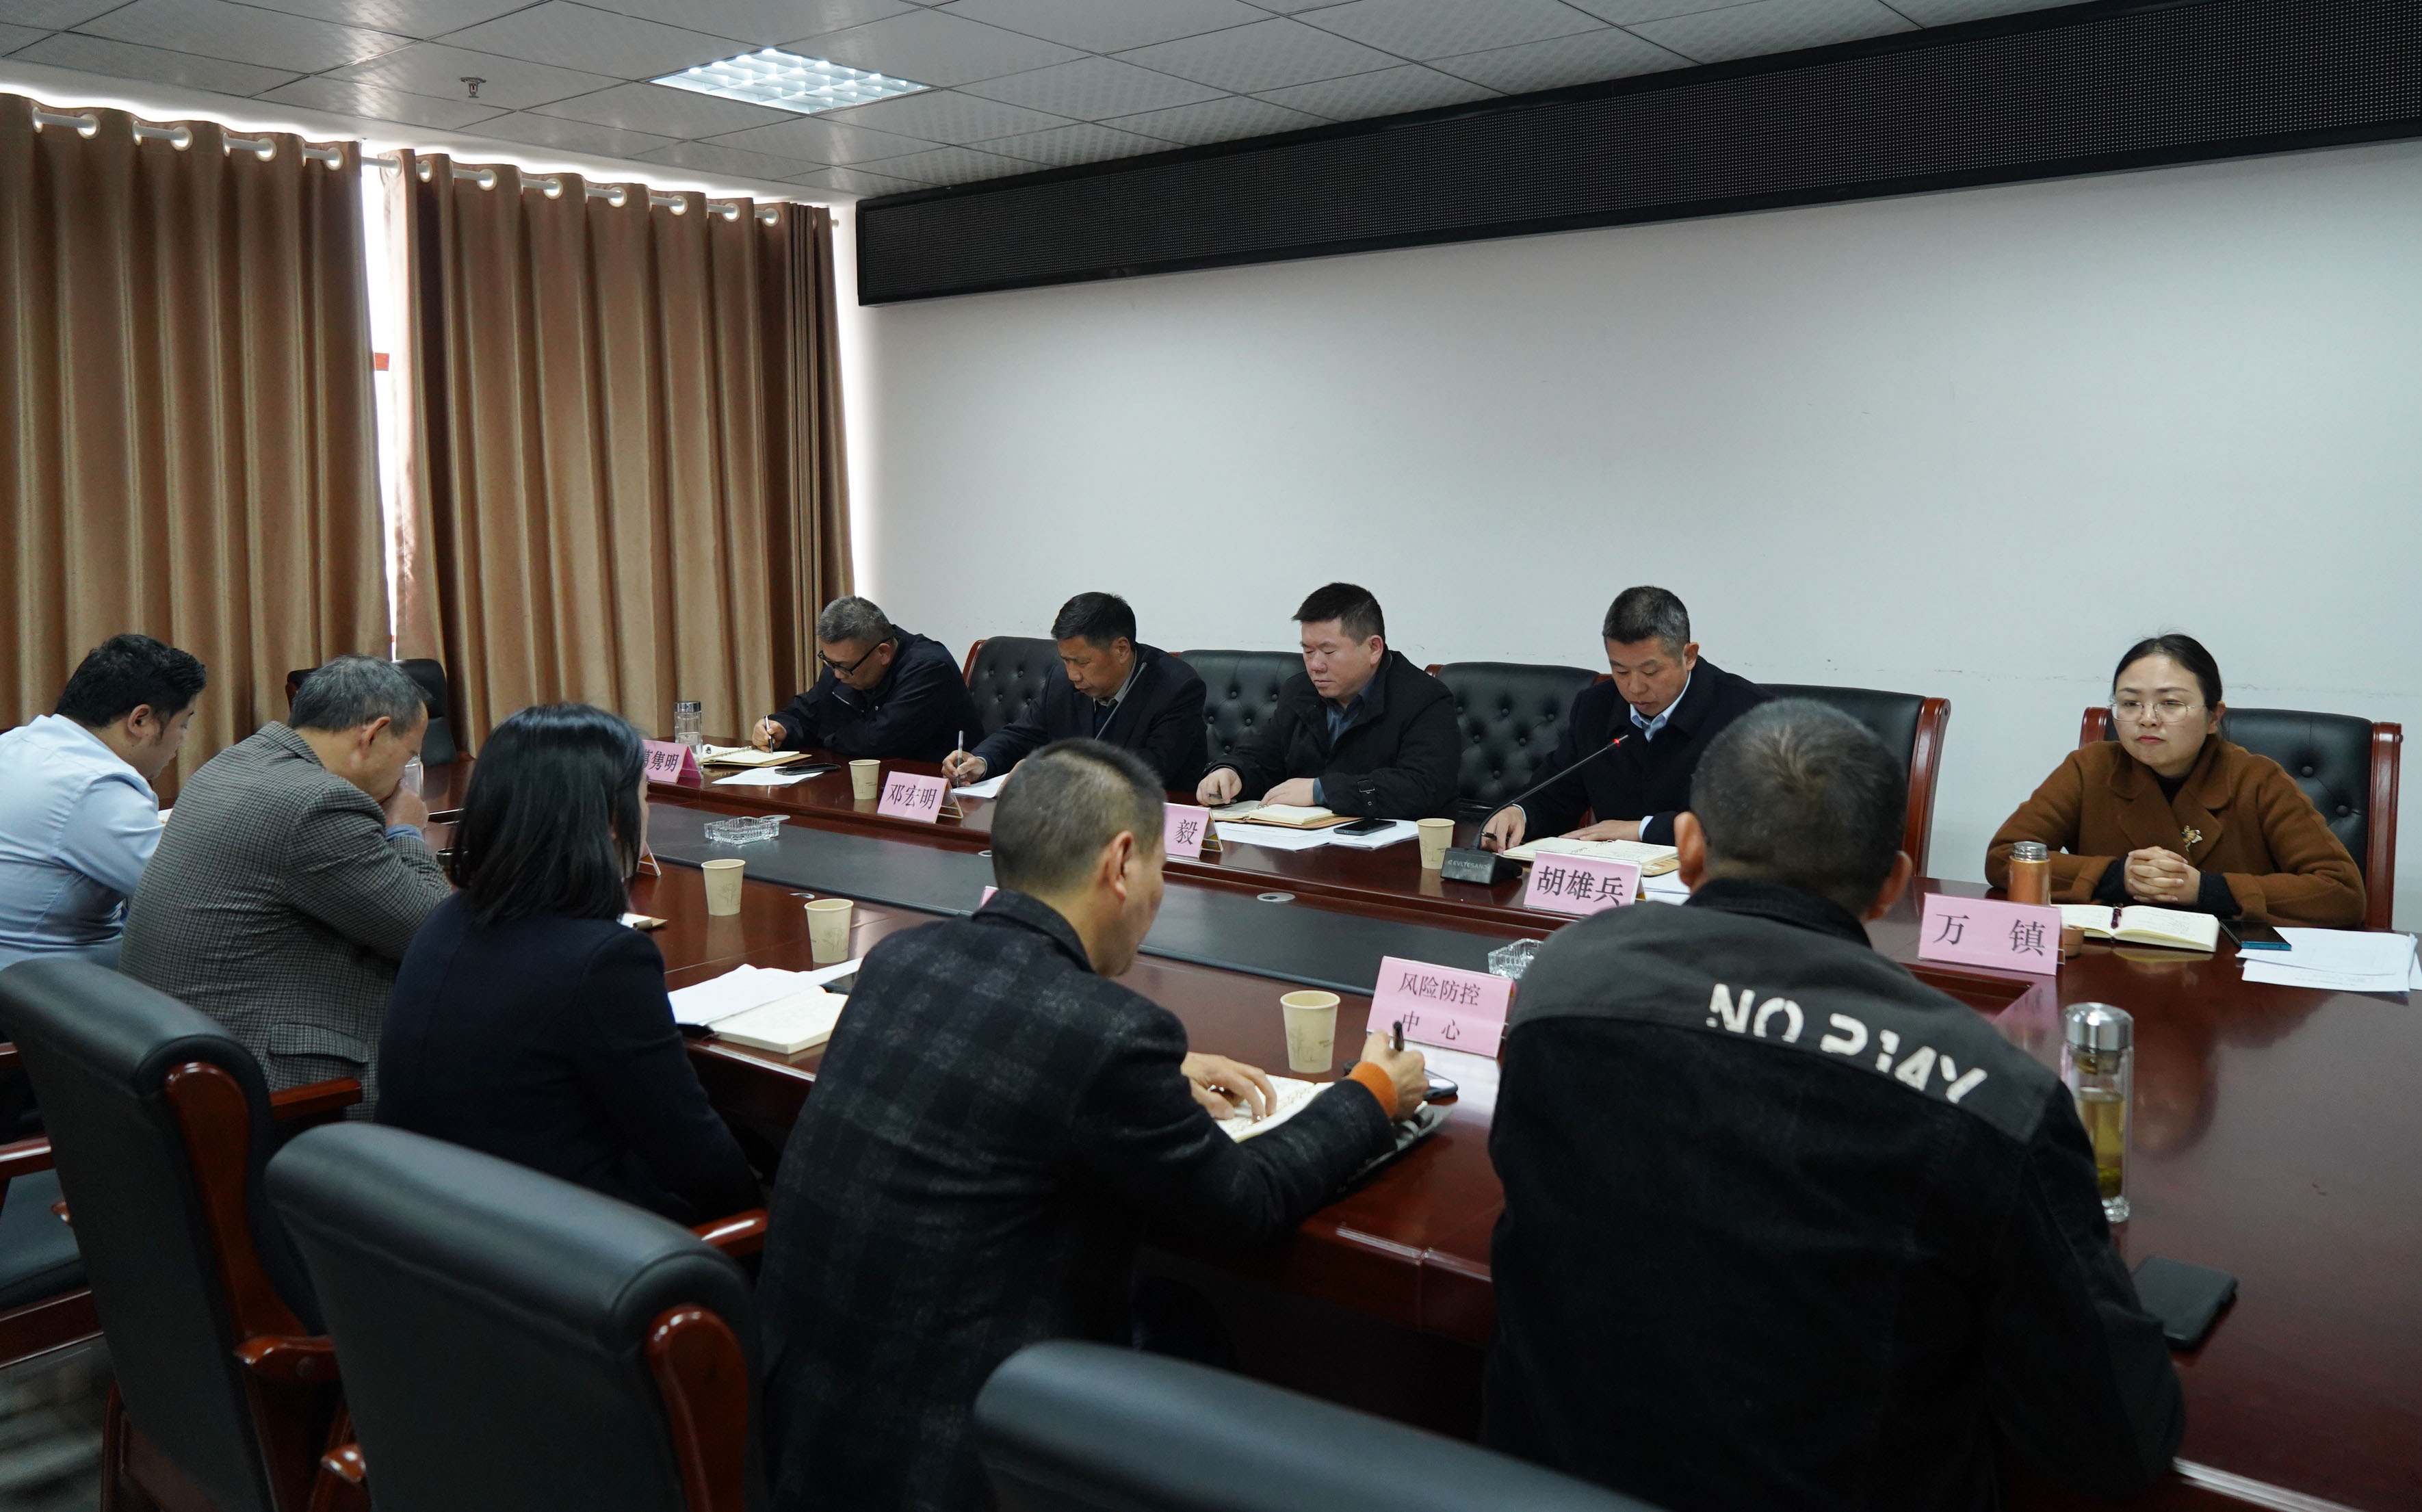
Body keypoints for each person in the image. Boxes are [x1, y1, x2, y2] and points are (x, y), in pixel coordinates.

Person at [1484, 701, 2184, 1511]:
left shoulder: (1560, 981)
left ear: (1689, 848)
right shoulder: (1993, 1089)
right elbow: (2113, 1436)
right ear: (1893, 883)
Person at [757, 738, 1429, 1512]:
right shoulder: (1108, 1034)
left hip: (803, 1438)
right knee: (1189, 1327)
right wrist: (1371, 1092)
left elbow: (1013, 1038)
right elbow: (1244, 1204)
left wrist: (1151, 1072)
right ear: (1122, 863)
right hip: (956, 1461)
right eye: (1163, 869)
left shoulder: (898, 962)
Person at [377, 703, 760, 1225]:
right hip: (565, 1244)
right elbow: (694, 1157)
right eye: (645, 796)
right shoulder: (604, 962)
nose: (646, 814)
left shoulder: (446, 920)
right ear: (610, 821)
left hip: (439, 1226)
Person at [121, 655, 448, 1112]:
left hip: (177, 1057)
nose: (407, 770)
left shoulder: (235, 762)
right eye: (410, 754)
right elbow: (432, 934)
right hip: (267, 1091)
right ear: (373, 735)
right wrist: (406, 830)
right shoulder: (317, 803)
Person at [1986, 634, 2365, 926]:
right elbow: (2006, 857)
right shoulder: (2091, 768)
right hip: (2110, 962)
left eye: (2170, 703)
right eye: (2130, 703)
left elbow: (2341, 892)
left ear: (2214, 717)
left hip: (2228, 975)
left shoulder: (2257, 779)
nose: (2147, 718)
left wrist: (2205, 890)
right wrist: (2118, 876)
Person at [1481, 586, 1768, 852]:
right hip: (1613, 879)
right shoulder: (1595, 707)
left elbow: (1758, 821)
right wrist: (1520, 812)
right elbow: (1555, 793)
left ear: (1689, 656)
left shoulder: (1748, 713)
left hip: (1709, 877)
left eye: (1650, 672)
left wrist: (1644, 830)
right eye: (1620, 671)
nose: (1635, 688)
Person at [0, 634, 205, 969]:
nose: (183, 738)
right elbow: (192, 893)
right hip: (48, 975)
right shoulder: (98, 787)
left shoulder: (16, 741)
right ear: (141, 721)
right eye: (183, 723)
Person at [1193, 583, 1459, 819]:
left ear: (1373, 648)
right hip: (1303, 843)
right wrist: (1231, 771)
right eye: (1308, 651)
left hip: (1392, 847)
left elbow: (1423, 786)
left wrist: (1320, 790)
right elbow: (1264, 756)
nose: (1316, 665)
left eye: (1329, 652)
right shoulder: (1300, 691)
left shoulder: (1425, 699)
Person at [940, 592, 1208, 792]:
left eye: (1081, 662)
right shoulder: (1061, 679)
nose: (1072, 675)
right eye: (1066, 660)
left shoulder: (1176, 687)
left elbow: (1154, 768)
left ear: (1121, 649)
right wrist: (981, 761)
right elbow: (1022, 734)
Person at [753, 596, 978, 762]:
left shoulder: (929, 669)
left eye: (844, 667)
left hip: (932, 792)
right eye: (829, 662)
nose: (837, 674)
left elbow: (879, 741)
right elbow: (807, 712)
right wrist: (780, 727)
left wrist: (825, 736)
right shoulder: (843, 666)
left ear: (883, 653)